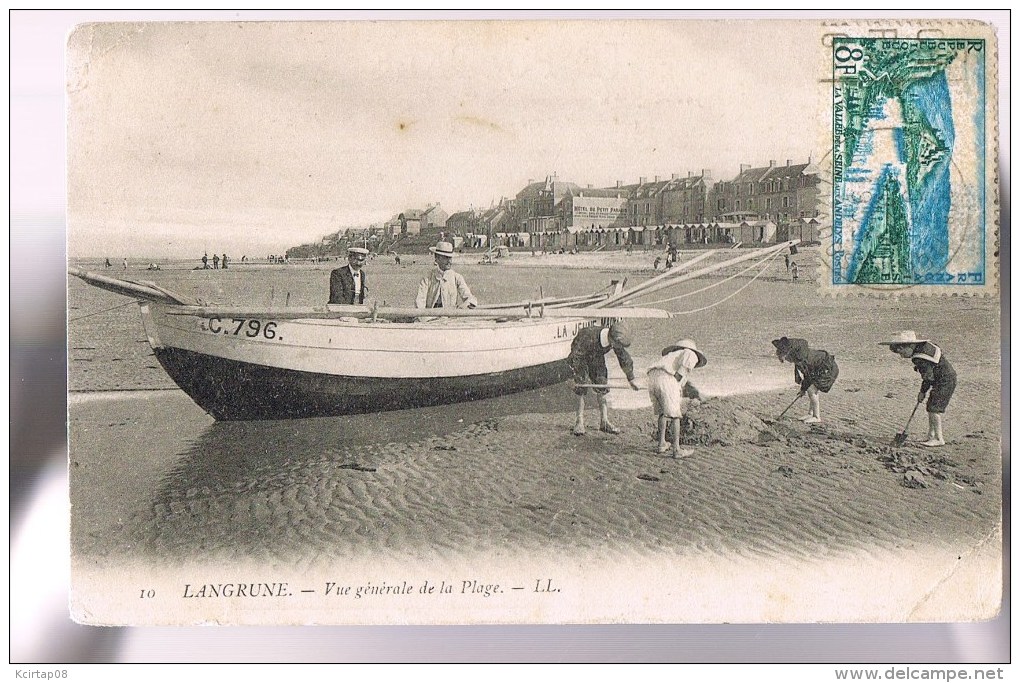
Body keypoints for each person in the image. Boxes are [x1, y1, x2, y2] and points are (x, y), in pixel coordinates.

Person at [880, 331, 957, 447]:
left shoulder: (919, 359)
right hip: (945, 378)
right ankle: (931, 435)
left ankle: (938, 438)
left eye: (901, 352)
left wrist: (922, 392)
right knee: (931, 407)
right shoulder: (925, 347)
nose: (901, 356)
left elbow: (928, 378)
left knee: (934, 409)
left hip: (944, 381)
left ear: (908, 346)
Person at [567, 321, 640, 436]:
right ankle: (579, 422)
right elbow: (574, 356)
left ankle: (604, 421)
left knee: (602, 385)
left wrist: (631, 379)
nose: (619, 348)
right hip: (580, 357)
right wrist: (572, 376)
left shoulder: (614, 340)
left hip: (596, 356)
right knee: (580, 387)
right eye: (618, 346)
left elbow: (624, 358)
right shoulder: (588, 336)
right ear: (612, 340)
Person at [646, 338, 707, 457]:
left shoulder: (672, 355)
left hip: (652, 377)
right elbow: (679, 376)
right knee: (675, 415)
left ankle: (662, 444)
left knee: (662, 412)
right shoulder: (690, 354)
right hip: (666, 378)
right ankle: (677, 450)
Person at [772, 336, 839, 424]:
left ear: (789, 355)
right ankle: (810, 413)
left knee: (812, 390)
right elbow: (807, 376)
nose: (787, 361)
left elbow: (809, 375)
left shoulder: (802, 359)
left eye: (786, 359)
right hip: (820, 369)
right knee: (810, 389)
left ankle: (816, 417)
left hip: (828, 368)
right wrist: (803, 389)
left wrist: (804, 388)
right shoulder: (799, 358)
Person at [415, 241, 477, 309]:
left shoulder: (457, 278)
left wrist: (464, 306)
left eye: (450, 258)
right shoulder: (427, 278)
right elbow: (420, 301)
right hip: (430, 317)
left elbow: (469, 297)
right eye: (445, 258)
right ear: (437, 258)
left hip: (450, 318)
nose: (449, 261)